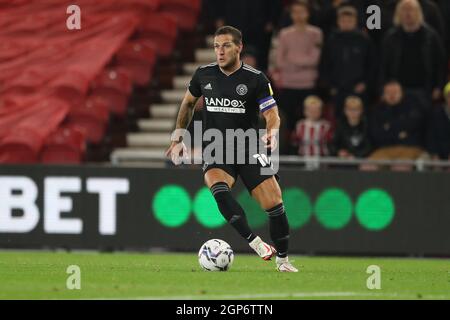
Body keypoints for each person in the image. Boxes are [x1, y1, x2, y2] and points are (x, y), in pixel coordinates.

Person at [165, 26, 298, 272]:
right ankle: (255, 242)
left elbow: (271, 113)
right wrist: (178, 137)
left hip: (249, 148)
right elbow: (188, 104)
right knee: (218, 188)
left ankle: (282, 259)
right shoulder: (203, 75)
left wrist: (272, 131)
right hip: (216, 147)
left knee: (275, 203)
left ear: (239, 47)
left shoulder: (256, 78)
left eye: (226, 45)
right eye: (216, 46)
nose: (220, 51)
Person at [380, 0, 446, 102]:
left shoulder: (431, 37)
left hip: (425, 89)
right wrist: (383, 88)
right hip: (398, 91)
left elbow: (440, 64)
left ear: (418, 12)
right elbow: (383, 66)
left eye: (411, 10)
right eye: (404, 10)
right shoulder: (390, 38)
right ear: (398, 13)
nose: (408, 13)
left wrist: (439, 87)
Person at [320, 5, 377, 116]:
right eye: (343, 20)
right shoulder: (331, 40)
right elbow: (324, 64)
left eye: (349, 20)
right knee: (338, 118)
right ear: (338, 21)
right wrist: (331, 86)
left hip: (358, 89)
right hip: (337, 89)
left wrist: (365, 83)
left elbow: (372, 65)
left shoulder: (364, 40)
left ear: (355, 21)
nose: (346, 23)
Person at [275, 0, 323, 130]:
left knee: (309, 118)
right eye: (295, 12)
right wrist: (303, 62)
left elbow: (314, 60)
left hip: (308, 83)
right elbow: (280, 61)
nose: (298, 15)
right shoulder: (284, 34)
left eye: (301, 12)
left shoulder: (316, 33)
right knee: (288, 119)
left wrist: (291, 59)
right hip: (288, 83)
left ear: (308, 13)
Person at [368, 81, 427, 165]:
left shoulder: (412, 106)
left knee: (400, 168)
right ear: (383, 95)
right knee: (368, 167)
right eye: (388, 92)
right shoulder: (377, 111)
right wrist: (399, 133)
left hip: (409, 148)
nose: (392, 95)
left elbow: (415, 127)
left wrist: (389, 128)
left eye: (395, 92)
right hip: (384, 149)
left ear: (402, 93)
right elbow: (376, 135)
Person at [426, 82, 450, 161]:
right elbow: (431, 137)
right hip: (439, 156)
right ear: (445, 97)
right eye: (449, 96)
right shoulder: (436, 114)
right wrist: (435, 155)